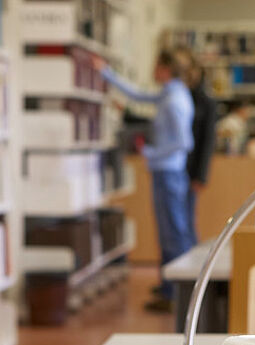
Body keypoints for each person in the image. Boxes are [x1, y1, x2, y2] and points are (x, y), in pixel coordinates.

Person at [93, 50, 194, 312]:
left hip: (169, 173)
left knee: (173, 234)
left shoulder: (174, 100)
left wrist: (151, 152)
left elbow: (184, 142)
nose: (152, 69)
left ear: (166, 69)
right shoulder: (169, 94)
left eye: (156, 65)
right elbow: (138, 95)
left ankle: (177, 294)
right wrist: (106, 73)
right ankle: (170, 288)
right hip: (165, 172)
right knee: (168, 232)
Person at [182, 55, 217, 249]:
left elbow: (208, 141)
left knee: (187, 219)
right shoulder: (181, 96)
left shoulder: (207, 103)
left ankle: (190, 270)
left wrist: (201, 176)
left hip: (193, 170)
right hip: (179, 166)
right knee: (180, 219)